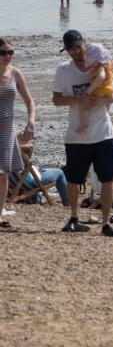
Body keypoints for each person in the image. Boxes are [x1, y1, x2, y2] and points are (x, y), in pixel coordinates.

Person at [53, 30, 113, 237]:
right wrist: (77, 99)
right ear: (67, 50)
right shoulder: (63, 71)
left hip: (103, 134)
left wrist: (102, 101)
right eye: (71, 48)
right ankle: (74, 218)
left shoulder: (98, 65)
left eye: (78, 46)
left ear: (85, 44)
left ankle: (106, 223)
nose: (76, 51)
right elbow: (56, 100)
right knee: (74, 179)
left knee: (107, 179)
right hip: (76, 137)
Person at [0, 38, 36, 227]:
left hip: (6, 132)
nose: (8, 56)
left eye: (11, 52)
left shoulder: (15, 73)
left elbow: (30, 101)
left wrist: (30, 122)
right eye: (4, 52)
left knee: (3, 174)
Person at [74, 43, 113, 134]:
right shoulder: (108, 65)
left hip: (100, 90)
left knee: (84, 106)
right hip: (109, 89)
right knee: (107, 103)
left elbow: (100, 77)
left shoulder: (100, 68)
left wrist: (89, 91)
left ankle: (83, 125)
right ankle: (107, 113)